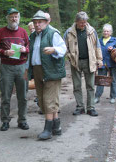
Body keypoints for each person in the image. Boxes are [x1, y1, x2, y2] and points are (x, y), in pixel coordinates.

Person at [27, 10, 66, 140]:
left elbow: (63, 48)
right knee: (42, 99)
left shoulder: (52, 34)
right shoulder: (33, 36)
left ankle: (47, 130)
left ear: (46, 22)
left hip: (52, 70)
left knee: (49, 100)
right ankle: (56, 126)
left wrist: (54, 49)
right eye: (35, 22)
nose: (37, 24)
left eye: (40, 22)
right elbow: (30, 54)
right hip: (37, 70)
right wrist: (28, 70)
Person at [0, 8, 30, 131]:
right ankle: (5, 121)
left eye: (16, 17)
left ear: (19, 18)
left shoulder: (23, 32)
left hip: (21, 67)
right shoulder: (0, 33)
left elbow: (30, 46)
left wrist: (25, 49)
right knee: (6, 96)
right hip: (6, 67)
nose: (14, 19)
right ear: (7, 18)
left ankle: (22, 120)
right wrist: (4, 52)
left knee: (23, 96)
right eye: (12, 16)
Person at [64, 11, 103, 116]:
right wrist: (69, 56)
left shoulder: (92, 31)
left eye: (85, 22)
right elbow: (64, 47)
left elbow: (97, 46)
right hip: (75, 62)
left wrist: (99, 60)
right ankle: (80, 107)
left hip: (90, 61)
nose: (83, 24)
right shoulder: (69, 32)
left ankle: (91, 108)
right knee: (77, 86)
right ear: (76, 21)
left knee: (90, 85)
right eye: (81, 22)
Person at [94, 24, 116, 104]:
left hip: (113, 64)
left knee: (113, 80)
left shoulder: (115, 40)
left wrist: (113, 49)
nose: (106, 32)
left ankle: (113, 97)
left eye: (107, 31)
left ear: (110, 32)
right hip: (102, 64)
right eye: (104, 31)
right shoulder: (99, 40)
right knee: (100, 80)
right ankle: (97, 97)